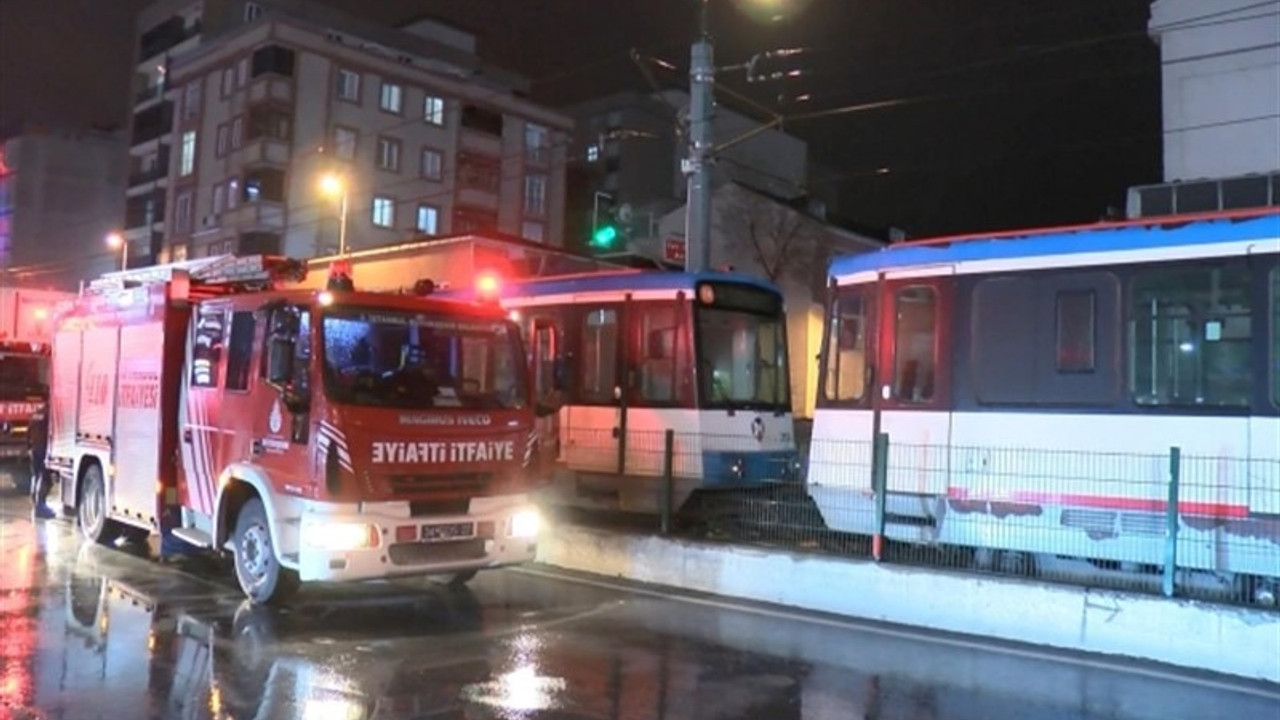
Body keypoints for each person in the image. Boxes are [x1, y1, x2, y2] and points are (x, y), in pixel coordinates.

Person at [28, 403, 54, 519]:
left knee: (36, 475)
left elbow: (29, 431)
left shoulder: (37, 413)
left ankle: (35, 503)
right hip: (44, 448)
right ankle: (40, 506)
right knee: (45, 478)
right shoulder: (50, 414)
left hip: (34, 448)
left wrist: (29, 447)